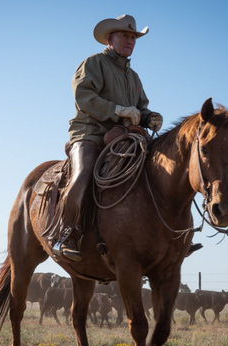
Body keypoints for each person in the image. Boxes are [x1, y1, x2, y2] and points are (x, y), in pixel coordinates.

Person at [54, 15, 163, 262]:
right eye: (125, 35)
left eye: (133, 36)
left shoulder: (133, 77)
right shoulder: (94, 63)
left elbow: (141, 107)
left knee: (162, 169)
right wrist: (117, 111)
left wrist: (149, 118)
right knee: (84, 173)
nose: (130, 40)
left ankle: (167, 236)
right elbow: (83, 96)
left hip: (126, 136)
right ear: (110, 38)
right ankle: (67, 233)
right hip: (90, 133)